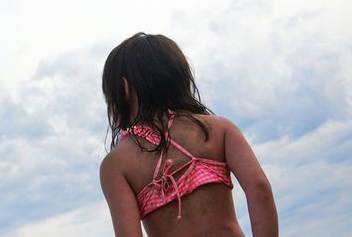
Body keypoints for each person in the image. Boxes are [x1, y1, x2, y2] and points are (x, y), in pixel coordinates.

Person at [99, 32, 278, 237]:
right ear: (180, 78)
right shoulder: (219, 129)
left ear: (124, 89)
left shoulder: (117, 164)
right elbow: (259, 187)